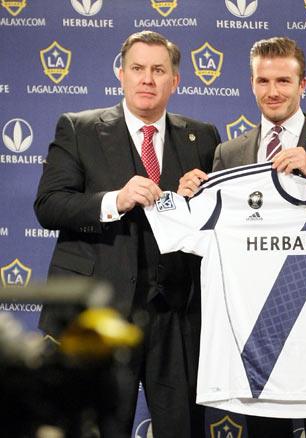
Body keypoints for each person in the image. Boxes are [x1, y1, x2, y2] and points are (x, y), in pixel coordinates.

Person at [179, 36, 306, 438]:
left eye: (284, 81)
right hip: (258, 330)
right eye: (263, 81)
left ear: (303, 85)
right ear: (251, 84)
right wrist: (186, 200)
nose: (273, 91)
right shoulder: (229, 153)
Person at [34, 31, 220, 438]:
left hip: (177, 313)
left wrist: (197, 195)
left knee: (183, 429)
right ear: (121, 74)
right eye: (137, 68)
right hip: (98, 311)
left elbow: (226, 210)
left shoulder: (203, 137)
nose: (147, 79)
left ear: (176, 80)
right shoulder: (79, 129)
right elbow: (48, 205)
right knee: (94, 427)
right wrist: (113, 200)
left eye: (158, 70)